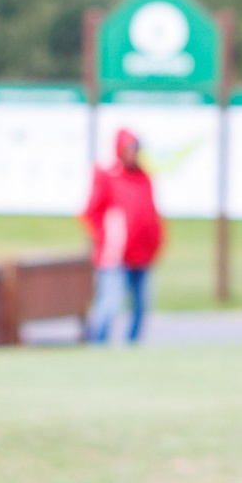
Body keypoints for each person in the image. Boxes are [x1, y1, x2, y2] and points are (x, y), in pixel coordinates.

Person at [81, 125, 161, 342]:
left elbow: (151, 213)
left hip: (142, 254)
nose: (133, 153)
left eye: (135, 148)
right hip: (115, 256)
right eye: (129, 148)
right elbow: (91, 212)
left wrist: (155, 242)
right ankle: (97, 344)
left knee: (141, 305)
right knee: (109, 303)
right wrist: (107, 237)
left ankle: (132, 347)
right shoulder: (108, 175)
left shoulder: (144, 177)